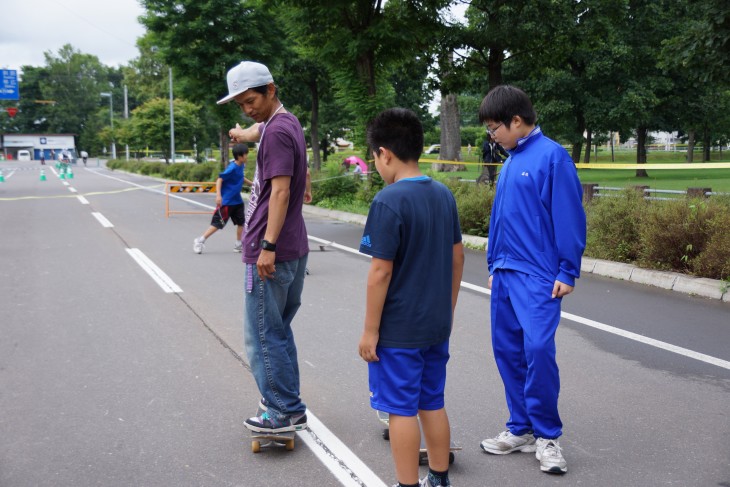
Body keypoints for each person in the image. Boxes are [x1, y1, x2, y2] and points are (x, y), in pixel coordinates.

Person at [477, 85, 586, 475]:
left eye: (495, 128)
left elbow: (569, 216)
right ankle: (520, 428)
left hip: (539, 276)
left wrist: (567, 269)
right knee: (507, 351)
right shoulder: (509, 161)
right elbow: (501, 220)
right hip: (505, 273)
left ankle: (547, 436)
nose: (493, 136)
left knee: (538, 350)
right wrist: (494, 265)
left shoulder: (552, 157)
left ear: (517, 122)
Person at [358, 108, 465, 487]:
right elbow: (457, 257)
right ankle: (439, 478)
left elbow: (380, 272)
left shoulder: (388, 201)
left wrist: (370, 331)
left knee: (400, 409)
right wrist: (447, 309)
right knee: (431, 401)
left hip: (400, 330)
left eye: (375, 157)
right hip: (436, 324)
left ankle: (407, 484)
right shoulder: (443, 194)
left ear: (384, 153)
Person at [221, 61, 312, 434]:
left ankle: (282, 410)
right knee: (277, 329)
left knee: (261, 334)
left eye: (251, 100)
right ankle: (287, 401)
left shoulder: (276, 133)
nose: (247, 108)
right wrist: (245, 132)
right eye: (240, 104)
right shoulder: (285, 122)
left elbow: (281, 190)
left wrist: (267, 246)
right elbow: (260, 128)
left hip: (271, 247)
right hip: (294, 245)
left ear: (270, 89)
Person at [193, 143, 254, 254]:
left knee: (241, 223)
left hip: (237, 201)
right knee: (217, 225)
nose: (247, 156)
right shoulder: (232, 168)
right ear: (239, 156)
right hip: (227, 202)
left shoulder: (241, 165)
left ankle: (238, 244)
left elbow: (241, 177)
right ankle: (200, 240)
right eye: (246, 154)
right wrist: (218, 195)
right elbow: (219, 180)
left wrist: (252, 184)